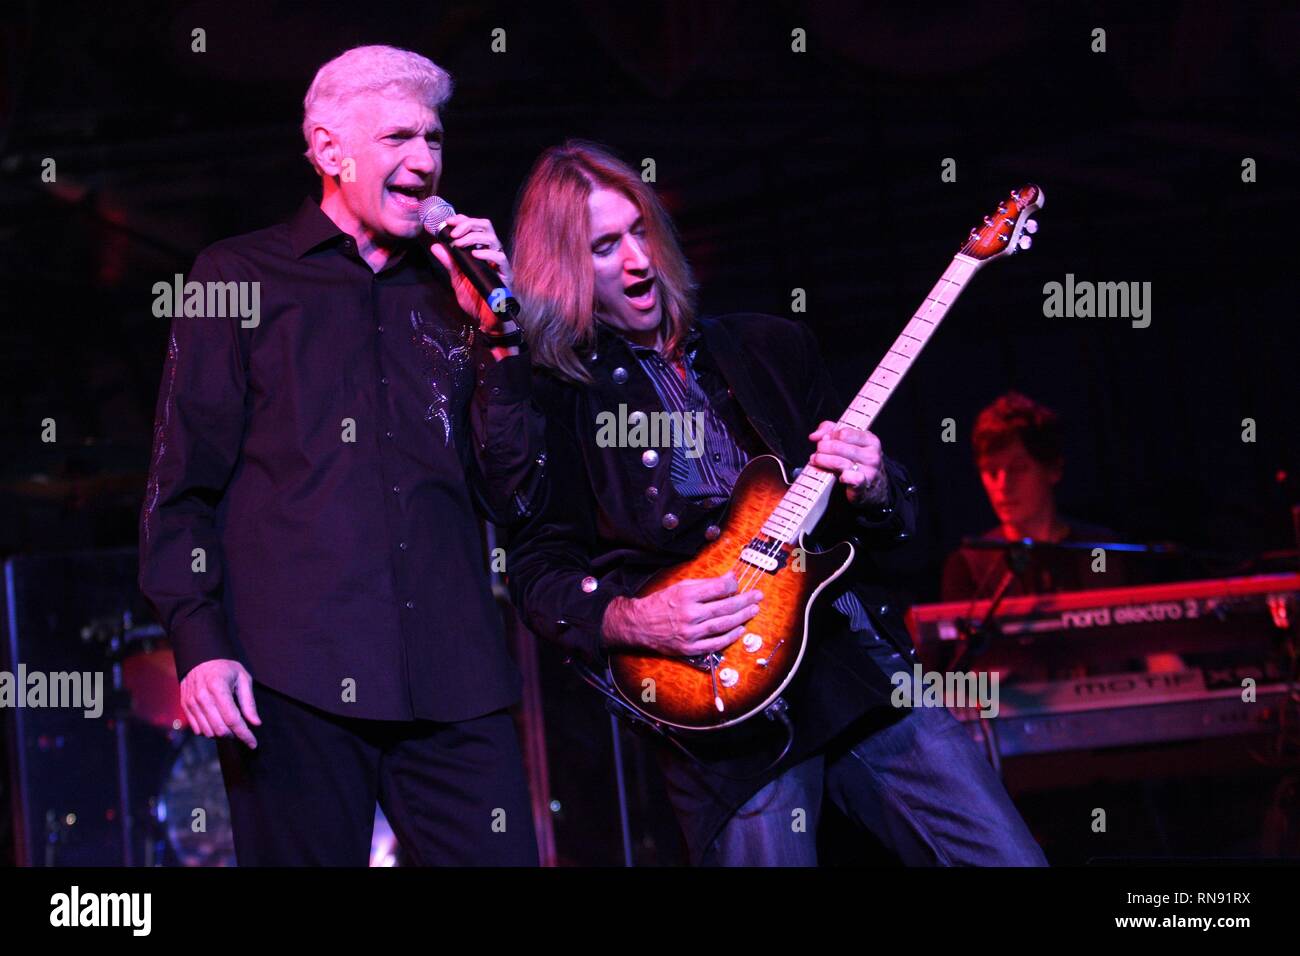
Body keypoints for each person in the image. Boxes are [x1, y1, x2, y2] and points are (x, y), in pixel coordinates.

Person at [505, 140, 1046, 866]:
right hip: (727, 712)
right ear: (566, 271)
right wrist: (631, 618)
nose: (637, 259)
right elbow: (536, 568)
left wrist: (878, 485)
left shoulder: (768, 347)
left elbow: (896, 532)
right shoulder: (561, 402)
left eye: (640, 231)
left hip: (855, 668)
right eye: (605, 246)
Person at [138, 45, 542, 865]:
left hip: (454, 678)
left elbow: (517, 491)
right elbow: (180, 485)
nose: (425, 163)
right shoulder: (237, 277)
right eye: (398, 138)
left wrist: (500, 340)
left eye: (434, 140)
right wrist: (199, 640)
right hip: (290, 681)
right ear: (329, 150)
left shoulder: (456, 291)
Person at [941, 392, 1126, 601]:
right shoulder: (969, 566)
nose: (1003, 485)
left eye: (1018, 468)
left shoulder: (1103, 549)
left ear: (1053, 469)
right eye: (991, 472)